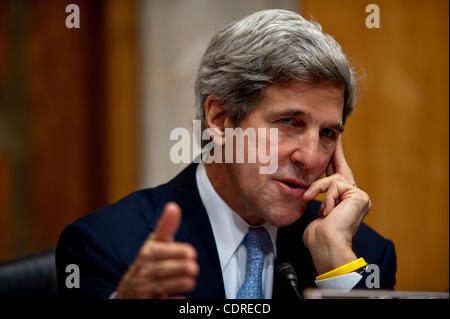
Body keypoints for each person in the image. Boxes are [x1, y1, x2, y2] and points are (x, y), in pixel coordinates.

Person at [56, 9, 396, 299]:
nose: (310, 158)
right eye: (289, 122)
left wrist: (334, 263)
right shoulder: (109, 247)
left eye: (327, 134)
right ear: (219, 120)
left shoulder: (359, 255)